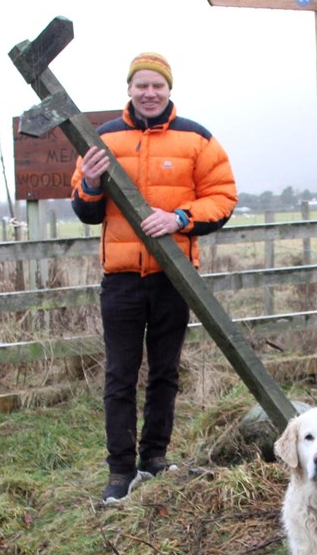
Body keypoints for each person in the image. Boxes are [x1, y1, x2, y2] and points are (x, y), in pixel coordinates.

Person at [71, 52, 238, 503]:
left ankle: (154, 459)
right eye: (141, 85)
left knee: (165, 373)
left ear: (169, 90)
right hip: (121, 280)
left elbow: (222, 198)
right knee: (120, 376)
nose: (149, 93)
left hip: (174, 277)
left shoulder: (197, 139)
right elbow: (86, 211)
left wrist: (180, 217)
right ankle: (120, 472)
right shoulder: (102, 138)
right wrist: (87, 183)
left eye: (157, 85)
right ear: (129, 89)